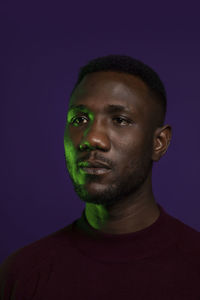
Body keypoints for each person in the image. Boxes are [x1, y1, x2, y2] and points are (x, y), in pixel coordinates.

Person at [0, 54, 200, 299]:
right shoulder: (21, 274)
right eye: (80, 119)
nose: (92, 138)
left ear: (158, 143)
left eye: (120, 120)